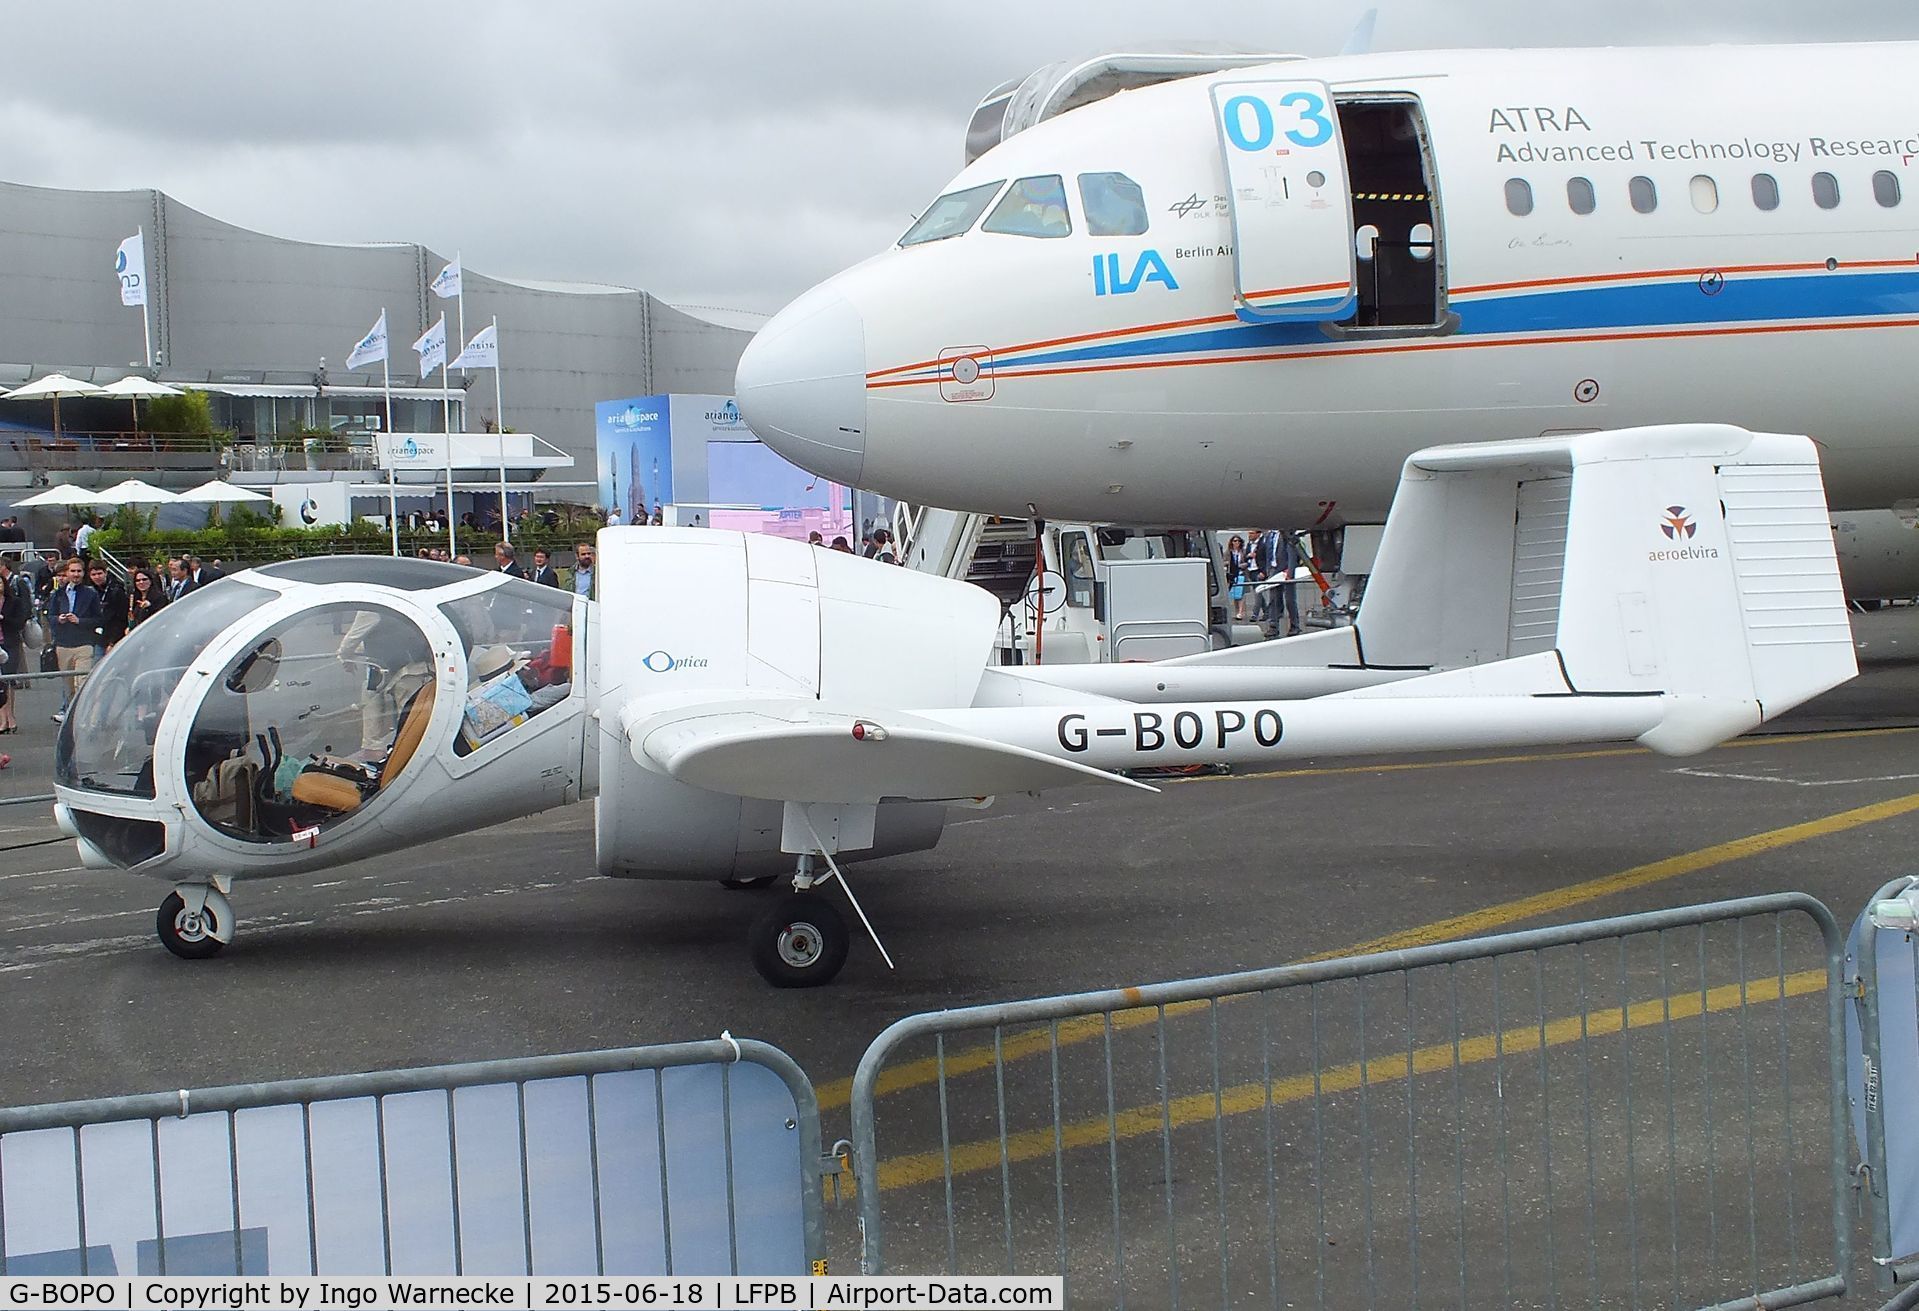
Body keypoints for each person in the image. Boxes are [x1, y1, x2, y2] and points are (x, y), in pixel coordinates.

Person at [49, 557, 99, 722]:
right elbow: (50, 617)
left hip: (84, 643)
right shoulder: (58, 594)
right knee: (69, 686)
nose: (76, 574)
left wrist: (80, 621)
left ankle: (86, 718)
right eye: (73, 571)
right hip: (63, 644)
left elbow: (98, 619)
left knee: (82, 682)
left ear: (83, 573)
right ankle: (73, 718)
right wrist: (59, 619)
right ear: (67, 573)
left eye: (79, 571)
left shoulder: (90, 594)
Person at [86, 561, 127, 652]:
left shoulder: (116, 590)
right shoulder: (89, 590)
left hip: (112, 637)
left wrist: (112, 641)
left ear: (106, 573)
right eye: (94, 574)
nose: (97, 577)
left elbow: (121, 618)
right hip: (95, 638)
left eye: (100, 573)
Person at [0, 556, 29, 678]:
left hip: (9, 640)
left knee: (8, 677)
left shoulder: (15, 599)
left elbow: (20, 620)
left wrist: (3, 618)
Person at [127, 565, 168, 630]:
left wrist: (149, 607)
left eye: (144, 579)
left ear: (150, 581)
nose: (141, 582)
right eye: (137, 580)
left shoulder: (160, 597)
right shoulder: (135, 598)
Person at [1226, 534, 1249, 621]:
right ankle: (1237, 611)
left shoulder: (1243, 552)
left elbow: (1247, 562)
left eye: (1238, 541)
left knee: (1241, 594)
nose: (1237, 543)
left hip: (1241, 573)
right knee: (1235, 594)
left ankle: (1240, 611)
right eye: (1235, 541)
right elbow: (1224, 561)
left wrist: (1242, 565)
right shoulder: (1228, 552)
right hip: (1232, 574)